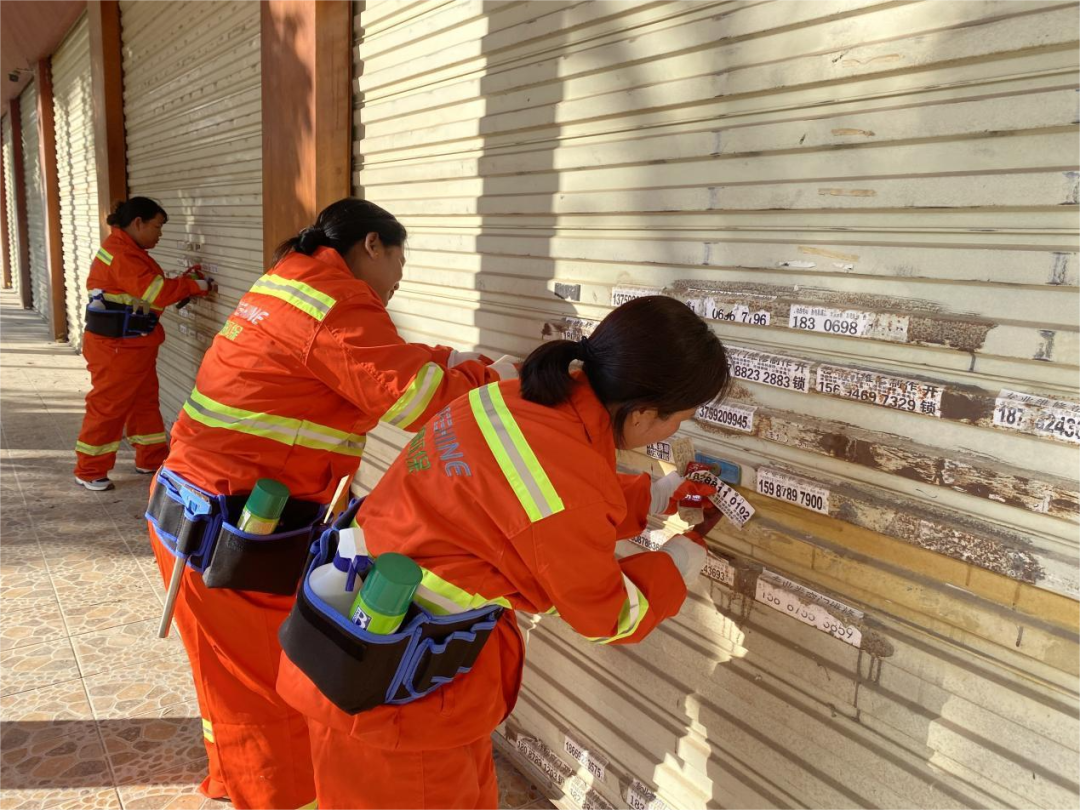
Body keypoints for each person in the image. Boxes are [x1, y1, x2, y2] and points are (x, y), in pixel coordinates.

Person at [277, 295, 731, 809]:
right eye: (680, 419)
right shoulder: (565, 480)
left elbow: (529, 500)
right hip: (395, 704)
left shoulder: (512, 398)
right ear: (644, 413)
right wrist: (683, 558)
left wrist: (655, 496)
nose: (676, 432)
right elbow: (610, 613)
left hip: (377, 656)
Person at [146, 198, 510, 810]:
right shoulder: (335, 301)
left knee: (227, 680)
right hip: (236, 540)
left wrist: (458, 362)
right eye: (399, 264)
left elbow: (364, 362)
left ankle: (231, 779)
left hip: (193, 514)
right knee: (277, 694)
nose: (398, 282)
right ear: (372, 245)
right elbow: (415, 399)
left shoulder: (290, 281)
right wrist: (496, 380)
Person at [74, 198, 214, 490]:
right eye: (157, 226)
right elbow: (154, 292)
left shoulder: (126, 250)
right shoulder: (122, 253)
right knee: (108, 406)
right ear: (138, 223)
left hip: (130, 344)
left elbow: (144, 290)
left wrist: (182, 284)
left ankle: (150, 458)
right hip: (117, 347)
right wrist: (193, 285)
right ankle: (89, 470)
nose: (160, 234)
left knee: (144, 401)